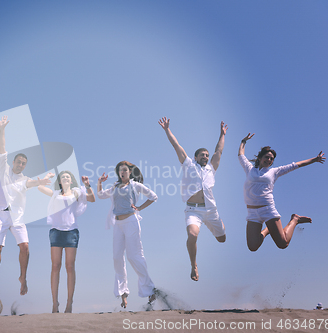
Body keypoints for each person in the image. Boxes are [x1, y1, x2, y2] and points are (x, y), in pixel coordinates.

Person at [0, 116, 51, 298]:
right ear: (13, 162)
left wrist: (43, 181)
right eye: (19, 162)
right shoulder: (3, 168)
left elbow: (33, 183)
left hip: (16, 218)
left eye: (24, 163)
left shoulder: (25, 180)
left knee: (25, 247)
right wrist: (2, 129)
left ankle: (23, 277)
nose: (21, 165)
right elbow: (2, 147)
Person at [158, 117, 227, 281]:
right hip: (193, 210)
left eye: (206, 155)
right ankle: (194, 265)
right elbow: (177, 146)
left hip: (211, 210)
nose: (205, 156)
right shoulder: (188, 164)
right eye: (202, 155)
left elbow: (219, 151)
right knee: (192, 234)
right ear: (195, 157)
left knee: (222, 239)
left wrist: (222, 134)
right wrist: (167, 129)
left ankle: (214, 225)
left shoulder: (211, 169)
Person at [238, 133, 325, 251]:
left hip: (267, 209)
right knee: (253, 247)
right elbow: (241, 155)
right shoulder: (250, 169)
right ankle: (266, 230)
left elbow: (297, 165)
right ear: (260, 158)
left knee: (283, 243)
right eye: (267, 157)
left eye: (271, 159)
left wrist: (315, 159)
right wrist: (243, 141)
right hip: (252, 212)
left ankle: (295, 219)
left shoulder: (274, 171)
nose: (269, 160)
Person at [97, 161, 157, 308]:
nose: (122, 172)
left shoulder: (135, 185)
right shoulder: (114, 187)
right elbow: (100, 195)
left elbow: (153, 196)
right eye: (120, 170)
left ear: (130, 172)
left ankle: (149, 289)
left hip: (131, 221)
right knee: (117, 257)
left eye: (124, 170)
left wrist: (140, 208)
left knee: (133, 256)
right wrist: (99, 182)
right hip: (118, 224)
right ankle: (123, 293)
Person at [38, 171, 95, 313]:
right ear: (60, 181)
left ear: (71, 181)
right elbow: (40, 188)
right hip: (56, 232)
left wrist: (87, 185)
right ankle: (54, 303)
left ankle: (69, 303)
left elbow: (92, 199)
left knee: (70, 267)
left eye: (67, 177)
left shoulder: (77, 193)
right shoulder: (55, 194)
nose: (65, 178)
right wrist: (46, 178)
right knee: (55, 266)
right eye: (62, 177)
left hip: (71, 232)